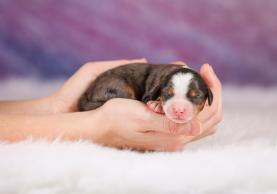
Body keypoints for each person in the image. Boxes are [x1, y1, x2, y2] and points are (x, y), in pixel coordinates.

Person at [0, 58, 222, 151]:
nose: (180, 107)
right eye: (169, 96)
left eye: (194, 97)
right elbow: (146, 94)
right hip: (113, 88)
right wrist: (96, 125)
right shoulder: (154, 85)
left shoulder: (163, 80)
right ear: (159, 92)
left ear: (207, 99)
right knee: (123, 88)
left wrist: (56, 107)